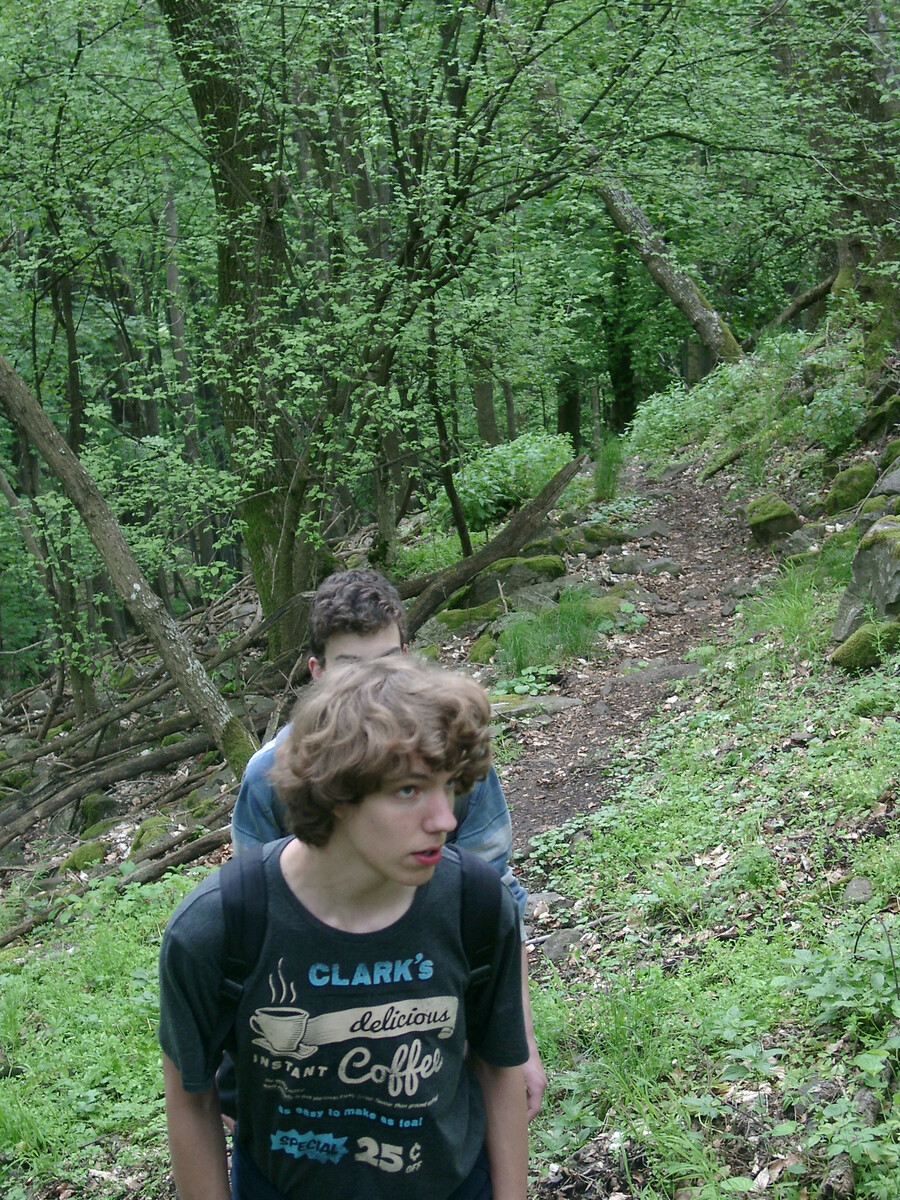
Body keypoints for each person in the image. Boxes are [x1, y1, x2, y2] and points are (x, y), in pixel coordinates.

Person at [159, 656, 528, 1200]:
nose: (445, 819)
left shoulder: (476, 904)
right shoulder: (216, 928)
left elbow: (499, 1070)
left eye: (448, 784)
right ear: (334, 793)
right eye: (408, 790)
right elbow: (191, 1100)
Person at [231, 569, 547, 1119]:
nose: (371, 685)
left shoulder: (450, 759)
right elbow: (250, 927)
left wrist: (518, 1044)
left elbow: (496, 903)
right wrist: (239, 1065)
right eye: (351, 668)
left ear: (408, 656)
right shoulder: (268, 778)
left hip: (437, 1002)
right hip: (318, 1018)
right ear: (317, 672)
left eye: (387, 663)